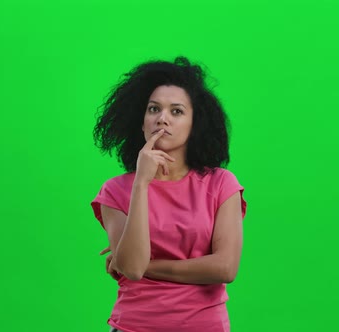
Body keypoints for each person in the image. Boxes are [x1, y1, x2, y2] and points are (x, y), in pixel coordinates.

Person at [90, 57, 247, 332]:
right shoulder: (115, 191)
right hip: (133, 327)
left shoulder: (221, 184)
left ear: (194, 123)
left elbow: (225, 268)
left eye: (176, 111)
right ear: (141, 122)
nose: (162, 118)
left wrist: (145, 265)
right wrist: (141, 183)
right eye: (153, 109)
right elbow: (133, 269)